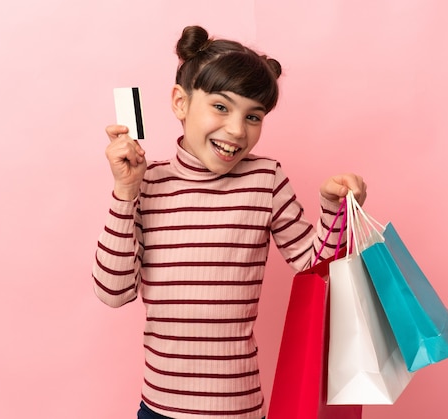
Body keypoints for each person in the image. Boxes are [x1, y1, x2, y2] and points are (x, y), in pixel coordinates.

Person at [92, 25, 367, 419]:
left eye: (253, 116)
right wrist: (125, 192)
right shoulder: (147, 183)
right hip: (159, 408)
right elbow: (112, 291)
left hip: (238, 409)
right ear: (180, 102)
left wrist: (333, 208)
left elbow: (314, 264)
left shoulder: (265, 178)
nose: (237, 130)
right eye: (221, 107)